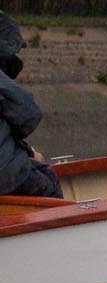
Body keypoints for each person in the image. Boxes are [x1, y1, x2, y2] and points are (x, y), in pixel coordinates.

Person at [0, 12, 60, 200]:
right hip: (5, 173)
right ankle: (62, 227)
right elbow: (28, 113)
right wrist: (29, 152)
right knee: (49, 184)